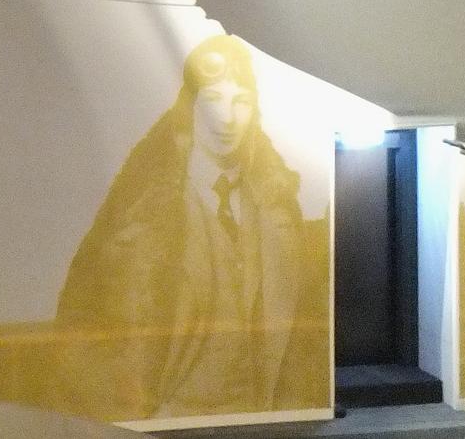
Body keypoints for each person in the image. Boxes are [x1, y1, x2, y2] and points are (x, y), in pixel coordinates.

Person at [52, 35, 325, 421]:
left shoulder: (278, 210)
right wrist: (127, 413)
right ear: (189, 108)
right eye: (212, 100)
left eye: (240, 101)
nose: (226, 118)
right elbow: (79, 325)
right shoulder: (138, 211)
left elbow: (308, 334)